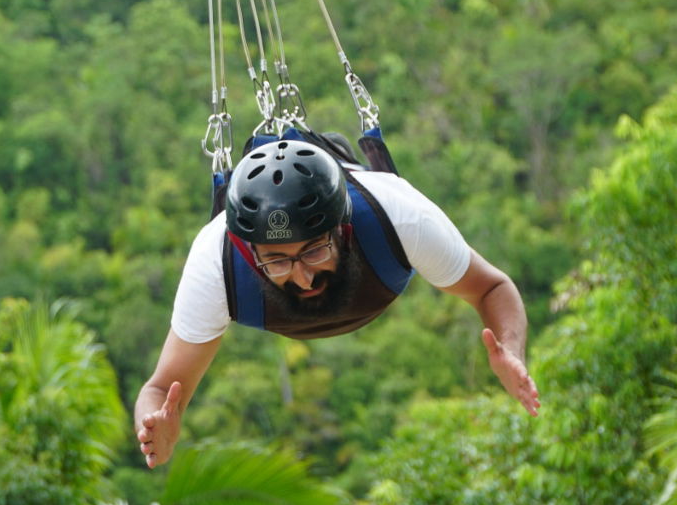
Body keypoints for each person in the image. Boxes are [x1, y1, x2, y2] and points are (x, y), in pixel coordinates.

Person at [135, 138, 540, 469]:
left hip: (376, 235)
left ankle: (336, 166)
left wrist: (511, 349)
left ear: (344, 232)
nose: (303, 276)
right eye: (277, 261)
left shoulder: (401, 218)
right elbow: (159, 389)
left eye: (314, 252)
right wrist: (156, 432)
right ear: (250, 252)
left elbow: (491, 288)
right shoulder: (215, 264)